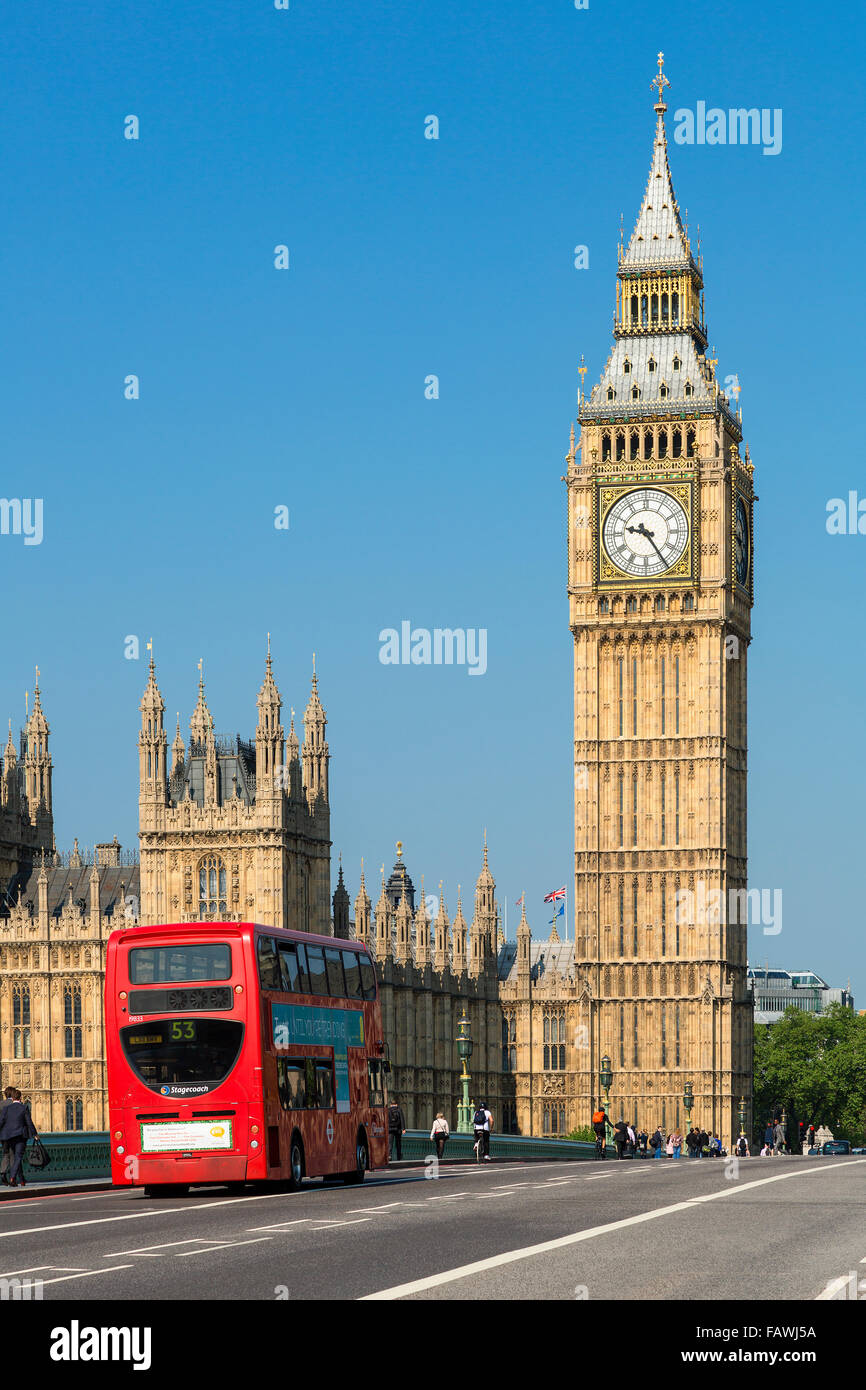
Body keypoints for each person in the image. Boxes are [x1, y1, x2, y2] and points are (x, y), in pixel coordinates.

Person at [0, 1087, 37, 1188]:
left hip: (7, 1136)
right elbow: (29, 1122)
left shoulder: (6, 1107)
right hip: (20, 1135)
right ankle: (13, 1177)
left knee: (11, 1156)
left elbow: (1, 1121)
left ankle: (20, 1179)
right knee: (17, 1157)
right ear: (20, 1098)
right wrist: (35, 1134)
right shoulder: (23, 1107)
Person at [0, 1086, 18, 1186]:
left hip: (3, 1135)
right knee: (13, 1155)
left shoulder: (1, 1104)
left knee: (6, 1154)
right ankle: (12, 1178)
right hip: (13, 1134)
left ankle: (2, 1173)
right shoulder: (15, 1104)